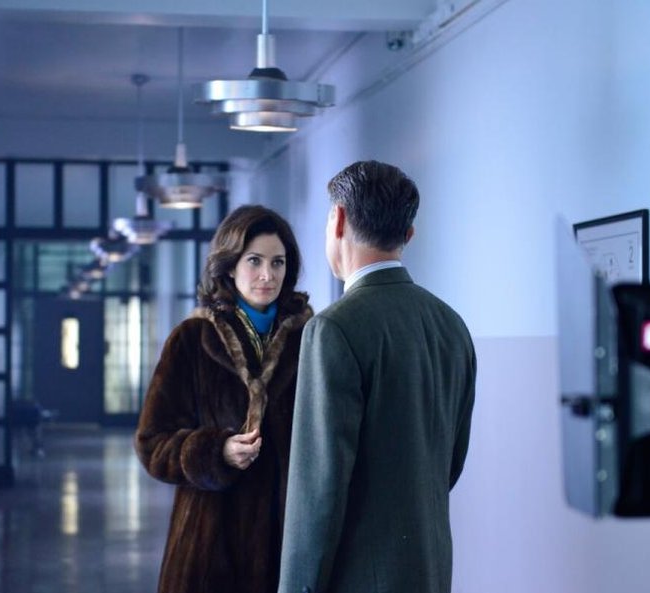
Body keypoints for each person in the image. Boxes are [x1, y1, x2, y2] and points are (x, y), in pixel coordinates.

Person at [277, 161, 477, 593]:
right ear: (409, 235)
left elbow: (318, 494)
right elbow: (450, 463)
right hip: (430, 569)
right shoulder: (451, 324)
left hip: (357, 578)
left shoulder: (333, 328)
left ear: (338, 220)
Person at [135, 204, 313, 593]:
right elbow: (151, 444)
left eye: (278, 262)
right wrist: (216, 452)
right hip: (207, 548)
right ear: (230, 266)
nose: (268, 275)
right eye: (254, 261)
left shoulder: (311, 340)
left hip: (286, 542)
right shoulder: (192, 339)